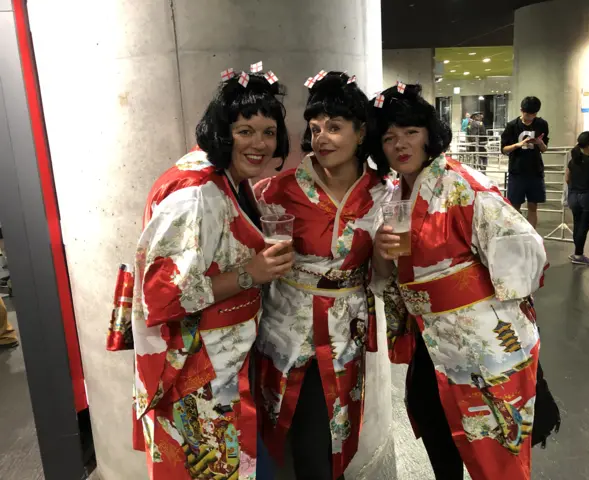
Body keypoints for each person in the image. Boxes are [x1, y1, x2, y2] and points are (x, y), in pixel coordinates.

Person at [107, 66, 295, 479]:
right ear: (223, 132)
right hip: (197, 367)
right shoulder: (195, 195)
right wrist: (251, 273)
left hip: (223, 357)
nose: (259, 144)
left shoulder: (227, 179)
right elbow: (162, 296)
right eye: (246, 131)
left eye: (268, 132)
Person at [369, 84, 547, 480]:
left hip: (483, 340)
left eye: (410, 132)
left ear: (429, 134)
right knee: (438, 434)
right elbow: (386, 276)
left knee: (494, 453)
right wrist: (382, 253)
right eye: (388, 137)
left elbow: (523, 249)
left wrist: (485, 300)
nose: (400, 144)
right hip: (430, 342)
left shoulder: (462, 184)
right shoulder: (395, 195)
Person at [253, 71, 393, 480]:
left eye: (334, 127)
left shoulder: (383, 192)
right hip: (287, 326)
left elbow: (382, 274)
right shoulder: (275, 191)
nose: (323, 139)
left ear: (361, 131)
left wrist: (385, 256)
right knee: (290, 430)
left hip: (344, 327)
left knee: (332, 431)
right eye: (315, 129)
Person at [501, 96, 550, 229]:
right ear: (521, 110)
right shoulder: (512, 126)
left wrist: (540, 143)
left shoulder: (541, 124)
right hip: (517, 171)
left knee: (533, 206)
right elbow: (504, 149)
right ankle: (515, 234)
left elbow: (544, 149)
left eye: (533, 114)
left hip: (535, 171)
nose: (530, 117)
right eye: (527, 114)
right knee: (514, 206)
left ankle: (531, 235)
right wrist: (518, 144)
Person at [564, 131, 589, 265]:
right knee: (583, 228)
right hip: (588, 198)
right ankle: (579, 255)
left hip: (573, 197)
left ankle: (577, 253)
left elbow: (567, 179)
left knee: (577, 225)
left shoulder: (572, 162)